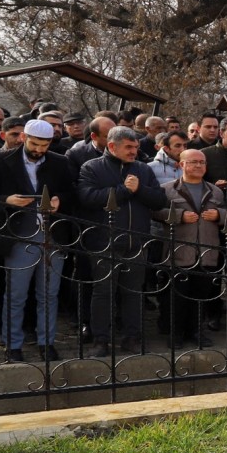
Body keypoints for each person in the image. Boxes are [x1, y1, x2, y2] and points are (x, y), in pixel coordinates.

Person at [0, 119, 74, 362]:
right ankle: (13, 344)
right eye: (35, 144)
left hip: (53, 236)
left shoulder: (59, 162)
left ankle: (46, 343)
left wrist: (59, 201)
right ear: (23, 138)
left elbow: (71, 192)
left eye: (45, 145)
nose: (40, 150)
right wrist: (7, 200)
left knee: (48, 294)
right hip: (19, 235)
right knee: (16, 294)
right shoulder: (0, 161)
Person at [77, 127, 167, 356]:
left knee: (133, 292)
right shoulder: (92, 167)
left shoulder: (143, 169)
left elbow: (159, 200)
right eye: (128, 147)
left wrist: (139, 190)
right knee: (103, 292)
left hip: (136, 241)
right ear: (111, 146)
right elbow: (87, 198)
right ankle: (101, 340)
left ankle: (132, 338)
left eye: (136, 147)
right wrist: (123, 190)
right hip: (104, 241)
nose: (134, 151)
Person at [154, 150, 227, 348]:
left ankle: (196, 331)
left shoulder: (215, 191)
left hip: (206, 252)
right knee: (176, 298)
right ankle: (175, 334)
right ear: (181, 165)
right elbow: (155, 212)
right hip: (178, 252)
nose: (198, 166)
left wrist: (218, 215)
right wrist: (178, 215)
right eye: (193, 162)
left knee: (201, 296)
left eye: (202, 162)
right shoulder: (166, 189)